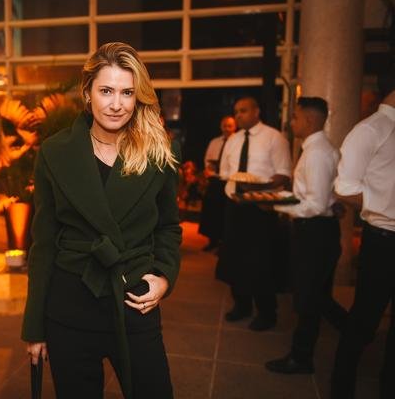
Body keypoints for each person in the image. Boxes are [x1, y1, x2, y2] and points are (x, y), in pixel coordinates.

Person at [21, 42, 182, 399]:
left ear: (138, 97)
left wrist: (164, 277)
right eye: (106, 91)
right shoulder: (54, 152)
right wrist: (35, 328)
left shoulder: (159, 153)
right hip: (70, 305)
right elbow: (43, 244)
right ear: (87, 93)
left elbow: (168, 226)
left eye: (127, 92)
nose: (116, 104)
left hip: (134, 298)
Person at [265, 97, 347, 374]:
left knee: (308, 297)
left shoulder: (317, 153)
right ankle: (350, 333)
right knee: (316, 295)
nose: (292, 122)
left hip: (314, 232)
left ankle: (302, 357)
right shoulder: (320, 149)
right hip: (320, 229)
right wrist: (282, 198)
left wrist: (276, 205)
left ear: (309, 120)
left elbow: (315, 205)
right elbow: (322, 196)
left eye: (296, 117)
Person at [330, 73, 395, 399]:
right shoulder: (370, 130)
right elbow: (344, 188)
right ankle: (341, 390)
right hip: (383, 240)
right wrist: (386, 207)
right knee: (363, 321)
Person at [216, 96, 292, 331]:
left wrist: (259, 186)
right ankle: (242, 305)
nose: (239, 115)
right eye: (236, 111)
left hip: (260, 208)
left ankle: (267, 312)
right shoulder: (233, 140)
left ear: (257, 111)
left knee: (261, 261)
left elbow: (283, 174)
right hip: (234, 205)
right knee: (235, 258)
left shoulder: (274, 137)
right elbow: (225, 172)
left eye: (244, 110)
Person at [199, 115, 237, 252]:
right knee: (211, 211)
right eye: (225, 126)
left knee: (224, 212)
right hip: (214, 180)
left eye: (230, 126)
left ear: (235, 127)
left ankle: (224, 244)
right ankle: (212, 240)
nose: (227, 128)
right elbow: (207, 159)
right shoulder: (214, 142)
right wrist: (209, 168)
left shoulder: (237, 142)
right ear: (221, 127)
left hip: (229, 181)